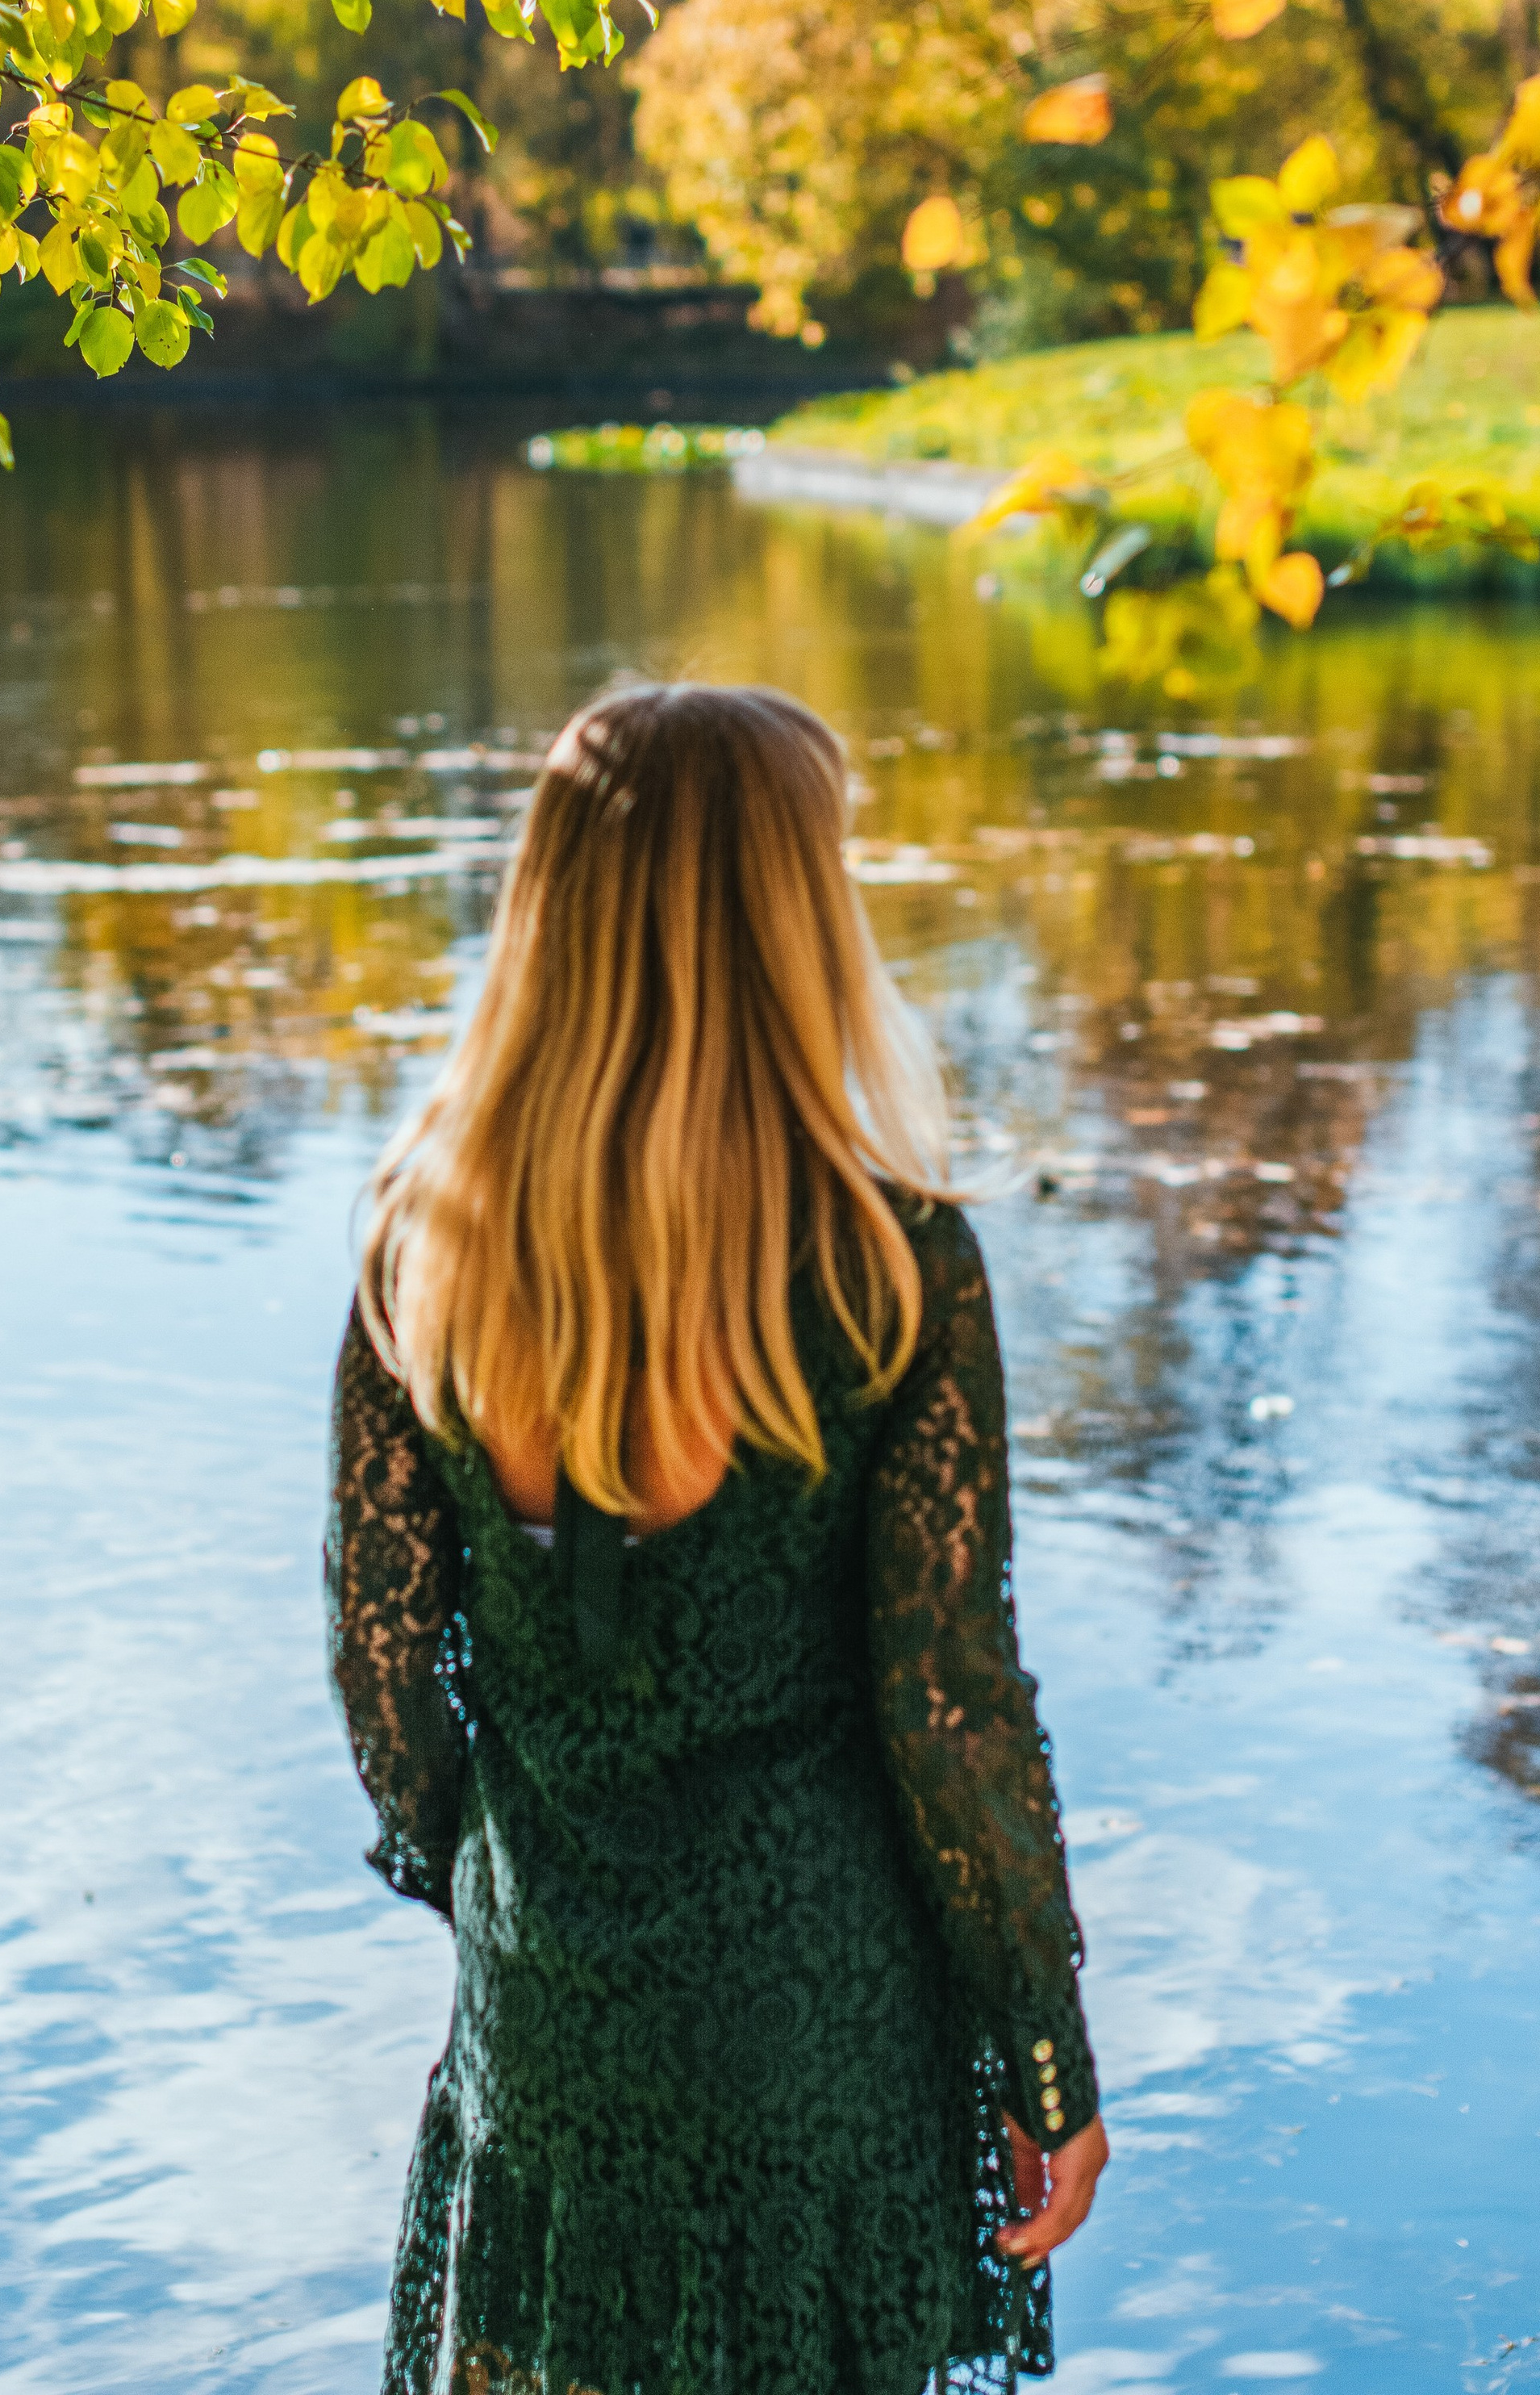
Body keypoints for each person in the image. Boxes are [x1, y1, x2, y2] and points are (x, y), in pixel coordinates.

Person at [326, 679, 1106, 2395]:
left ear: (552, 913)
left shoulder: (423, 1254)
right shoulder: (885, 1270)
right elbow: (947, 1706)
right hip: (816, 2034)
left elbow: (381, 1675)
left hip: (553, 2023)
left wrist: (524, 1871)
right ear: (792, 918)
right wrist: (1044, 2059)